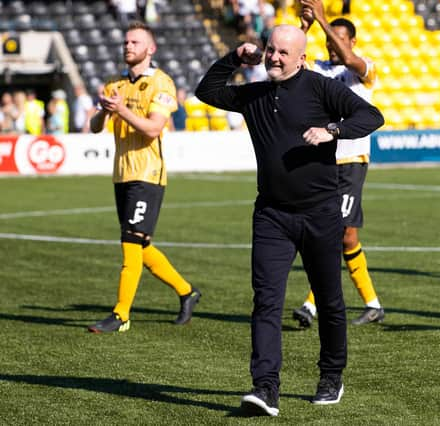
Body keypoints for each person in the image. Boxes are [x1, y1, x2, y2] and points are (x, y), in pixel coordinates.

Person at [195, 25, 384, 416]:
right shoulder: (255, 93)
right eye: (270, 51)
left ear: (301, 57)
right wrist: (235, 58)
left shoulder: (320, 87)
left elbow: (371, 116)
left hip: (321, 213)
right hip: (272, 215)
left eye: (283, 53)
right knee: (265, 301)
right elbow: (207, 91)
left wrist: (333, 130)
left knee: (330, 301)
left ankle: (332, 375)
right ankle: (266, 389)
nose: (274, 58)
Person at [87, 21, 201, 333]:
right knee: (142, 245)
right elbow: (96, 127)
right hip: (122, 173)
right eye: (125, 42)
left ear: (150, 49)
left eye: (135, 42)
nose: (128, 47)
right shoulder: (116, 84)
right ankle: (187, 292)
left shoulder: (161, 84)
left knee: (130, 242)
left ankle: (121, 314)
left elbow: (153, 129)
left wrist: (121, 110)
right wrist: (103, 110)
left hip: (147, 174)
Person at [291, 1, 384, 328]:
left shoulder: (363, 68)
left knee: (334, 233)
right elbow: (287, 65)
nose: (332, 45)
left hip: (351, 161)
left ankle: (310, 305)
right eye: (328, 40)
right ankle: (373, 304)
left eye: (339, 40)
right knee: (346, 238)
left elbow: (347, 57)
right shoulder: (317, 68)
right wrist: (305, 26)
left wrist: (323, 18)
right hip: (323, 162)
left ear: (352, 42)